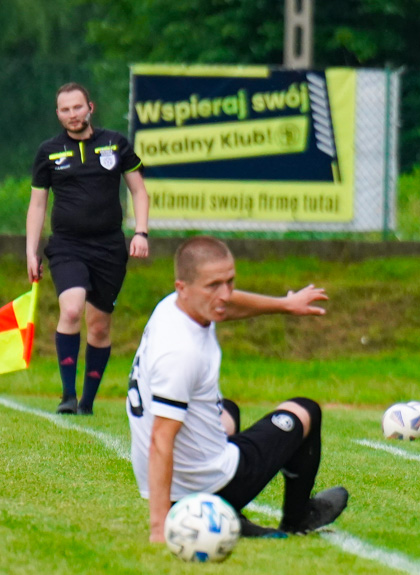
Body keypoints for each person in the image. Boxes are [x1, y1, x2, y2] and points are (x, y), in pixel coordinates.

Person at [127, 236, 348, 542]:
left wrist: (285, 304)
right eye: (213, 285)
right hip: (203, 489)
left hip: (180, 485)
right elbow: (160, 440)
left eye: (230, 281)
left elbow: (227, 305)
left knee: (227, 407)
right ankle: (298, 516)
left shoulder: (173, 307)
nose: (225, 293)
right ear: (183, 287)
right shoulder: (181, 352)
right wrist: (159, 529)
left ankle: (228, 512)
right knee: (305, 410)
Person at [26, 82, 150, 415]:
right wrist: (31, 251)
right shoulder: (48, 151)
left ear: (90, 107)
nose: (72, 114)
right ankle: (67, 396)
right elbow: (37, 205)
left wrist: (141, 232)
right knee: (70, 309)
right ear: (58, 114)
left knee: (99, 326)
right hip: (67, 246)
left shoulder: (115, 143)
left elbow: (139, 191)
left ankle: (87, 402)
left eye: (77, 107)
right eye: (65, 110)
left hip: (109, 248)